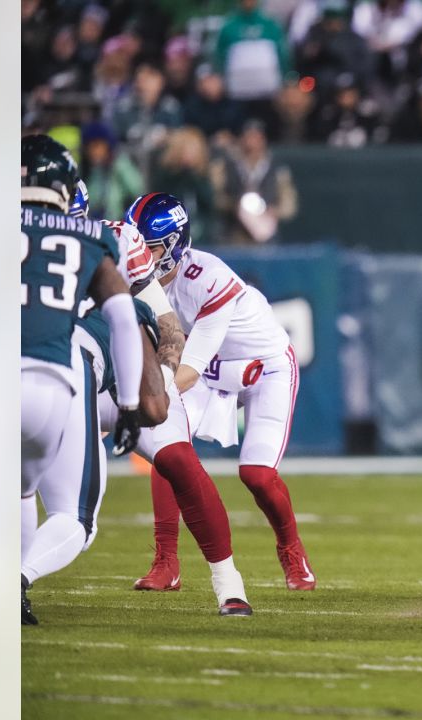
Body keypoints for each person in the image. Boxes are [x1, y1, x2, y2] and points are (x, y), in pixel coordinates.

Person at [69, 185, 253, 614]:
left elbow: (168, 325)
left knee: (179, 461)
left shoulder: (117, 240)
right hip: (67, 380)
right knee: (68, 512)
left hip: (128, 379)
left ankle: (229, 582)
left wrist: (163, 379)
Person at [127, 192, 318, 592]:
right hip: (213, 372)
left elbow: (188, 371)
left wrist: (132, 409)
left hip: (262, 369)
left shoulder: (206, 279)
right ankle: (167, 561)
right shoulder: (135, 283)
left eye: (150, 247)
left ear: (175, 245)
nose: (140, 254)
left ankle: (290, 547)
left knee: (258, 475)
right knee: (168, 448)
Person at [20, 134, 144, 624]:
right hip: (54, 377)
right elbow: (122, 317)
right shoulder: (89, 237)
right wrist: (130, 402)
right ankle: (18, 581)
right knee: (69, 513)